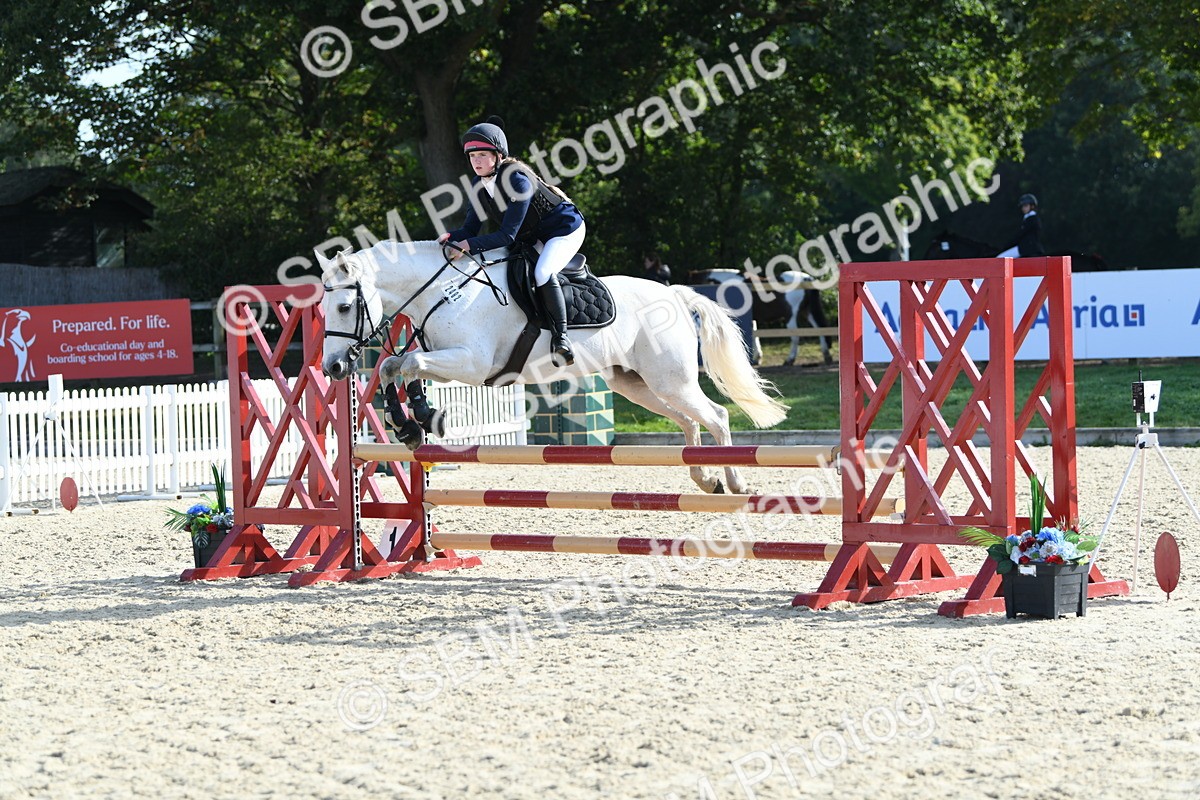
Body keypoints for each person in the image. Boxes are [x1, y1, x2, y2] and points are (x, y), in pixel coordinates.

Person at [439, 116, 585, 366]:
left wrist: (468, 246)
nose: (477, 162)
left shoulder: (517, 179)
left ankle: (562, 339)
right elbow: (470, 228)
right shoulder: (478, 184)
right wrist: (451, 238)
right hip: (533, 235)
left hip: (564, 229)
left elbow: (507, 235)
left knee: (542, 272)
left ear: (498, 156)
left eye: (483, 155)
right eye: (473, 157)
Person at [996, 193, 1045, 258]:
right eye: (1022, 206)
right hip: (1026, 247)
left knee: (1000, 258)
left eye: (1025, 205)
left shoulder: (1032, 219)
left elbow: (1020, 235)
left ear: (1032, 206)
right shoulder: (1029, 218)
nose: (1023, 208)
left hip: (1026, 248)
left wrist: (1007, 245)